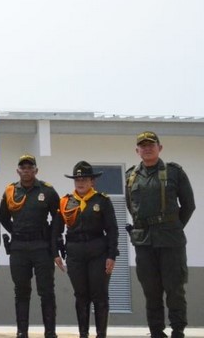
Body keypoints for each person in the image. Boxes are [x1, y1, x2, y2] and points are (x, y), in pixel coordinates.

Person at [125, 131, 195, 338]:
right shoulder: (131, 176)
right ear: (137, 150)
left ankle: (177, 330)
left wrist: (173, 226)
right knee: (151, 290)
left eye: (151, 144)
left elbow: (189, 205)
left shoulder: (174, 172)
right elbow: (132, 206)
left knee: (174, 288)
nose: (147, 148)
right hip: (144, 241)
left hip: (170, 240)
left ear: (160, 148)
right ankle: (156, 331)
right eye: (142, 145)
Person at [53, 161, 118, 338]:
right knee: (81, 295)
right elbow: (56, 229)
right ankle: (83, 334)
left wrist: (112, 255)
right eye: (77, 179)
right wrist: (55, 253)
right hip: (75, 253)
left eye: (84, 179)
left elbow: (112, 229)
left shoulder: (101, 201)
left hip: (98, 251)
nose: (80, 182)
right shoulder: (66, 202)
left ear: (92, 181)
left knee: (99, 295)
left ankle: (101, 334)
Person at [0, 154, 60, 338]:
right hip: (18, 247)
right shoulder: (10, 191)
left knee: (46, 290)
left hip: (41, 246)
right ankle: (21, 332)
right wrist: (16, 231)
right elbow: (3, 217)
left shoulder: (47, 191)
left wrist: (52, 238)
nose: (26, 170)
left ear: (36, 170)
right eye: (23, 167)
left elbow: (57, 217)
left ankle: (50, 332)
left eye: (30, 167)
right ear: (18, 170)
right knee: (21, 291)